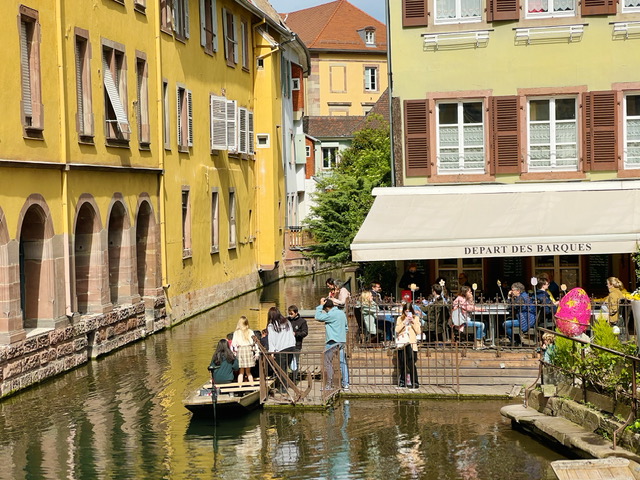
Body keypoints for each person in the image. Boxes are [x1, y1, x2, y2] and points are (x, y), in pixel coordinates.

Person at [315, 298, 349, 390]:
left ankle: (329, 385)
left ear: (326, 308)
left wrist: (320, 306)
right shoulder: (342, 313)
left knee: (327, 362)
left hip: (332, 341)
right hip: (342, 341)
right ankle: (345, 384)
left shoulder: (330, 314)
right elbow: (346, 328)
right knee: (342, 362)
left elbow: (317, 317)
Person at [267, 307, 297, 392]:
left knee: (281, 369)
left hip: (281, 348)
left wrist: (272, 352)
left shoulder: (272, 325)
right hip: (291, 346)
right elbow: (291, 334)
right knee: (286, 367)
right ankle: (286, 385)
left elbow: (271, 340)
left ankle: (284, 388)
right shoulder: (287, 322)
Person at [395, 303, 421, 388]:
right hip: (403, 343)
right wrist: (404, 322)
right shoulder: (400, 318)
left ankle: (415, 382)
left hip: (411, 343)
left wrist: (412, 322)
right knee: (402, 362)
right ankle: (402, 381)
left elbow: (418, 331)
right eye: (406, 311)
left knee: (411, 362)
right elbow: (397, 330)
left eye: (409, 311)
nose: (407, 313)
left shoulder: (416, 318)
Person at [231, 316, 257, 385]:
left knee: (241, 372)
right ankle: (252, 385)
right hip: (248, 350)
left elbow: (233, 344)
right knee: (248, 372)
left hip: (241, 351)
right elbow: (253, 342)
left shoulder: (236, 333)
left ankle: (240, 387)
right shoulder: (250, 331)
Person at [288, 305, 308, 380]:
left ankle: (294, 378)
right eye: (289, 314)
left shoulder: (302, 321)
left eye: (291, 314)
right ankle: (288, 376)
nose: (290, 315)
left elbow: (305, 332)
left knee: (295, 361)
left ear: (296, 313)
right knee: (288, 361)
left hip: (297, 344)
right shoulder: (287, 320)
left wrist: (296, 334)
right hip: (287, 345)